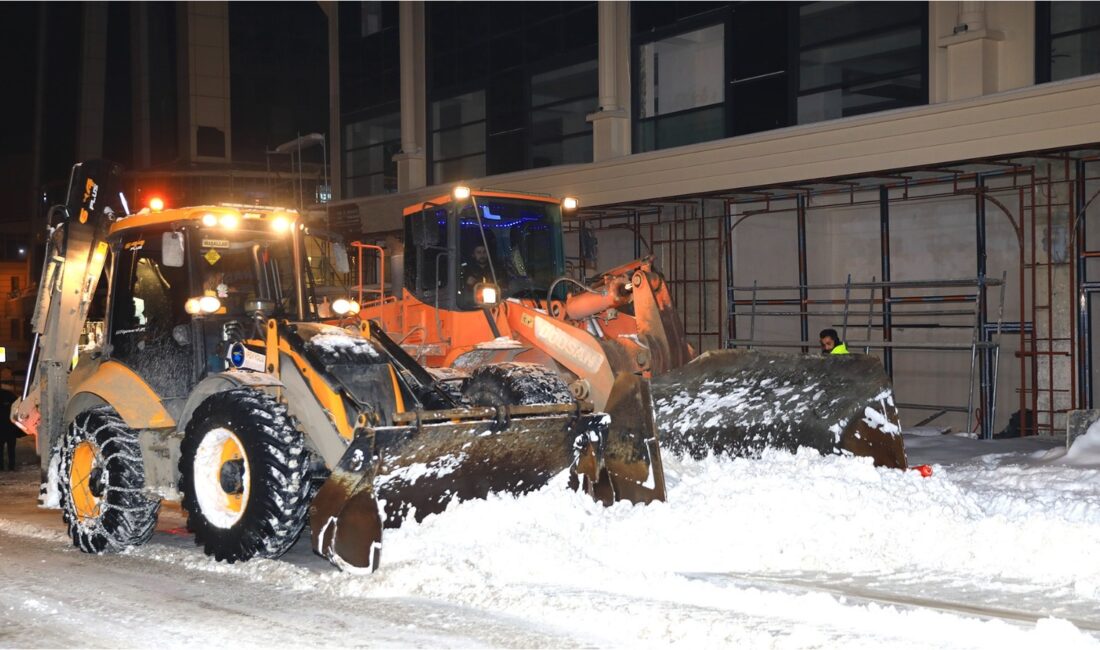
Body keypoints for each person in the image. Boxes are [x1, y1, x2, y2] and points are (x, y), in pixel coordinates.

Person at [0, 389, 25, 471]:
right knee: (11, 450)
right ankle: (11, 466)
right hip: (10, 429)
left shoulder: (8, 396)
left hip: (2, 429)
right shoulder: (11, 396)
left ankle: (1, 467)